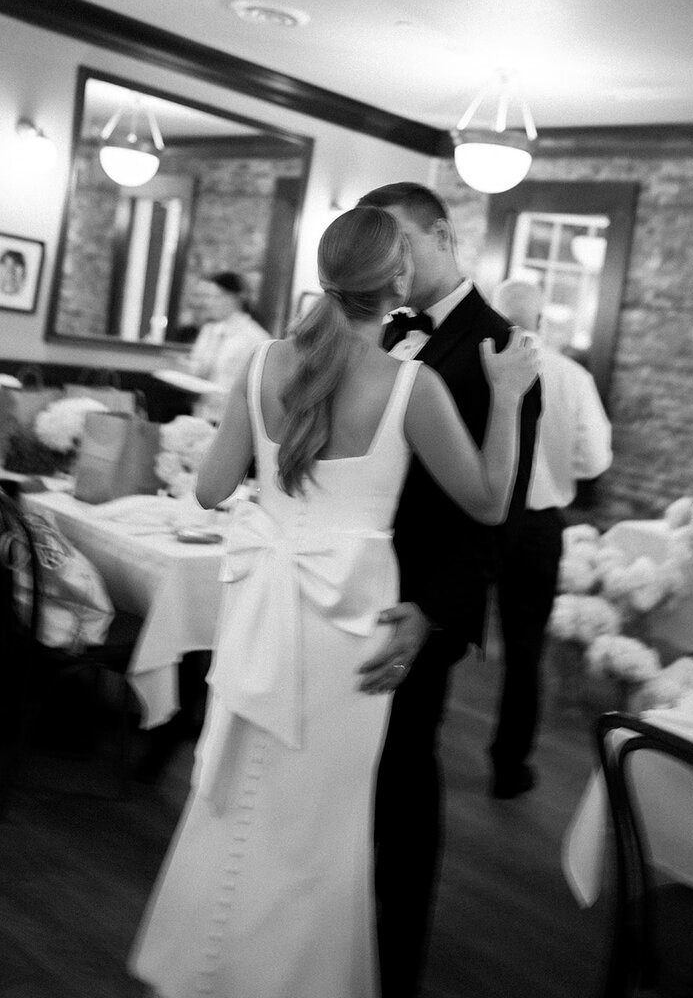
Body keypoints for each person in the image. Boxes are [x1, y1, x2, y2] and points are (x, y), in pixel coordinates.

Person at [128, 206, 538, 998]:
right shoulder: (409, 385)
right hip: (347, 623)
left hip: (263, 608)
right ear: (397, 282)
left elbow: (211, 490)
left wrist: (279, 501)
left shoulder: (265, 363)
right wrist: (511, 396)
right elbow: (489, 501)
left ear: (323, 275)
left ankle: (204, 969)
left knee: (236, 794)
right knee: (320, 821)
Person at [353, 183, 542, 998]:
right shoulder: (379, 332)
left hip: (420, 606)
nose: (390, 264)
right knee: (344, 774)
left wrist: (431, 613)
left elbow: (491, 521)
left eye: (401, 243)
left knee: (402, 783)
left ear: (443, 235)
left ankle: (398, 965)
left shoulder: (501, 350)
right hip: (343, 588)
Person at [489, 277, 613, 798]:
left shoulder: (477, 368)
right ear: (540, 321)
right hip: (537, 525)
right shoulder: (571, 376)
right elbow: (595, 459)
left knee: (444, 634)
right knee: (524, 649)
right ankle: (508, 767)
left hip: (475, 517)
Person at [183, 271, 268, 421]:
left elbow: (259, 387)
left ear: (235, 298)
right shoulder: (209, 330)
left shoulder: (256, 337)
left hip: (232, 419)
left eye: (215, 297)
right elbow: (198, 369)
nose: (209, 303)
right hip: (202, 414)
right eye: (207, 297)